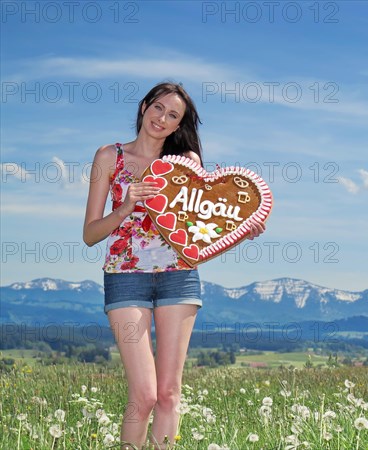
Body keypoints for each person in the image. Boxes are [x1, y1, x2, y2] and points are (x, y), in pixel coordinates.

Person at [83, 81, 264, 449]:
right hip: (125, 277)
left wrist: (242, 229)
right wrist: (125, 206)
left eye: (173, 115)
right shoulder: (108, 157)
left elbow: (201, 237)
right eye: (158, 108)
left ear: (180, 123)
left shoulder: (186, 165)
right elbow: (90, 233)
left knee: (168, 394)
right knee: (144, 394)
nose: (162, 119)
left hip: (178, 279)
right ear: (145, 105)